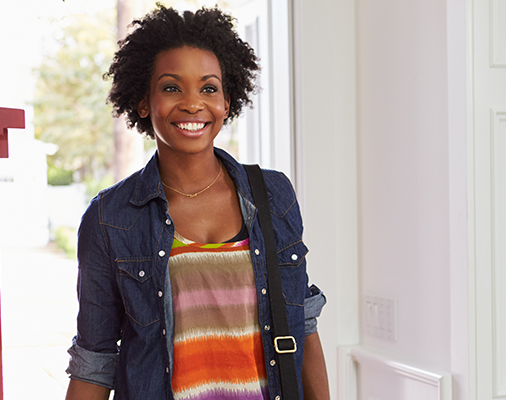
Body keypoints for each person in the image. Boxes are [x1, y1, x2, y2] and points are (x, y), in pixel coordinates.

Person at [65, 5, 328, 400]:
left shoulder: (274, 194)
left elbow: (303, 325)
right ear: (142, 101)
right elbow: (95, 360)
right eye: (172, 87)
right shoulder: (109, 218)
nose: (192, 104)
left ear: (227, 102)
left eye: (209, 88)